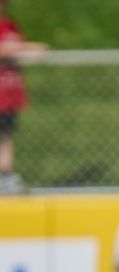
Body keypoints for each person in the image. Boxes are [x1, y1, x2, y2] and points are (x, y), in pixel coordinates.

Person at [0, 0, 47, 194]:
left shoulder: (10, 26)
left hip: (9, 94)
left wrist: (28, 51)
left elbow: (19, 52)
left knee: (5, 136)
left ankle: (5, 176)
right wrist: (27, 47)